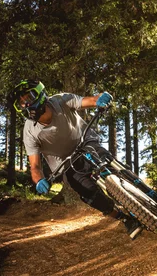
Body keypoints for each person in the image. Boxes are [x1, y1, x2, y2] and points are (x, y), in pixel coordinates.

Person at [9, 79, 143, 239]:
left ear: (41, 94)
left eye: (29, 97)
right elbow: (35, 167)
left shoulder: (61, 100)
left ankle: (147, 193)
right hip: (66, 166)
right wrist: (39, 181)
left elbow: (90, 100)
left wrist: (101, 98)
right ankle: (125, 219)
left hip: (86, 143)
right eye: (22, 103)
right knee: (90, 195)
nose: (26, 104)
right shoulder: (29, 131)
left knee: (110, 164)